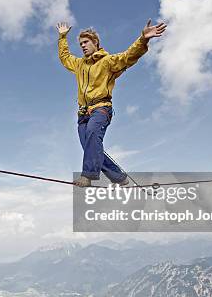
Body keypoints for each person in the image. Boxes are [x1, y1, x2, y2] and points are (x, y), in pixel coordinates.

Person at [56, 19, 167, 187]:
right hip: (83, 113)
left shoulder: (107, 62)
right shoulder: (79, 64)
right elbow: (65, 58)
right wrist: (63, 37)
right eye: (80, 44)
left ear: (95, 43)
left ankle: (87, 176)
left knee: (93, 134)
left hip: (101, 109)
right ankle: (118, 177)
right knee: (90, 147)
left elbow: (128, 56)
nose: (83, 46)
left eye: (86, 42)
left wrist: (143, 39)